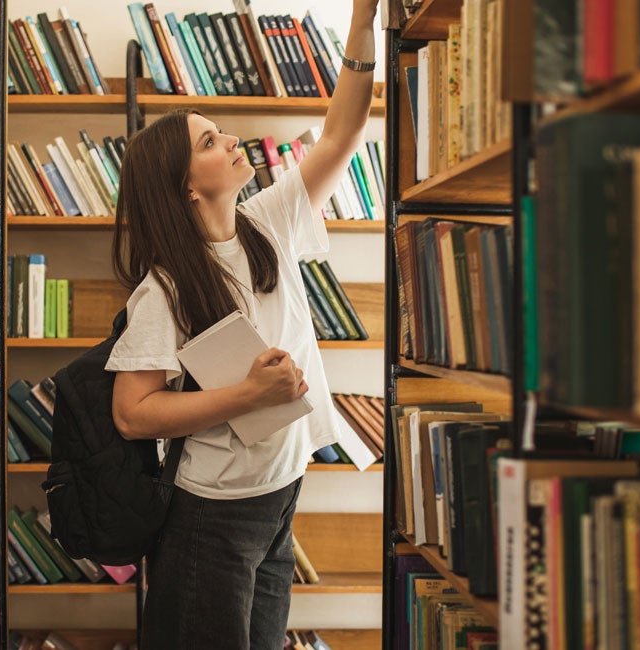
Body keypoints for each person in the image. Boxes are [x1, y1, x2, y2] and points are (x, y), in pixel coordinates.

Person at [104, 1, 380, 647]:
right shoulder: (165, 288)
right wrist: (249, 395)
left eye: (219, 132)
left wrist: (362, 23)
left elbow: (341, 135)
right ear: (185, 188)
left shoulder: (268, 221)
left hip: (281, 490)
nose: (231, 141)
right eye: (209, 141)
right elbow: (132, 415)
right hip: (214, 515)